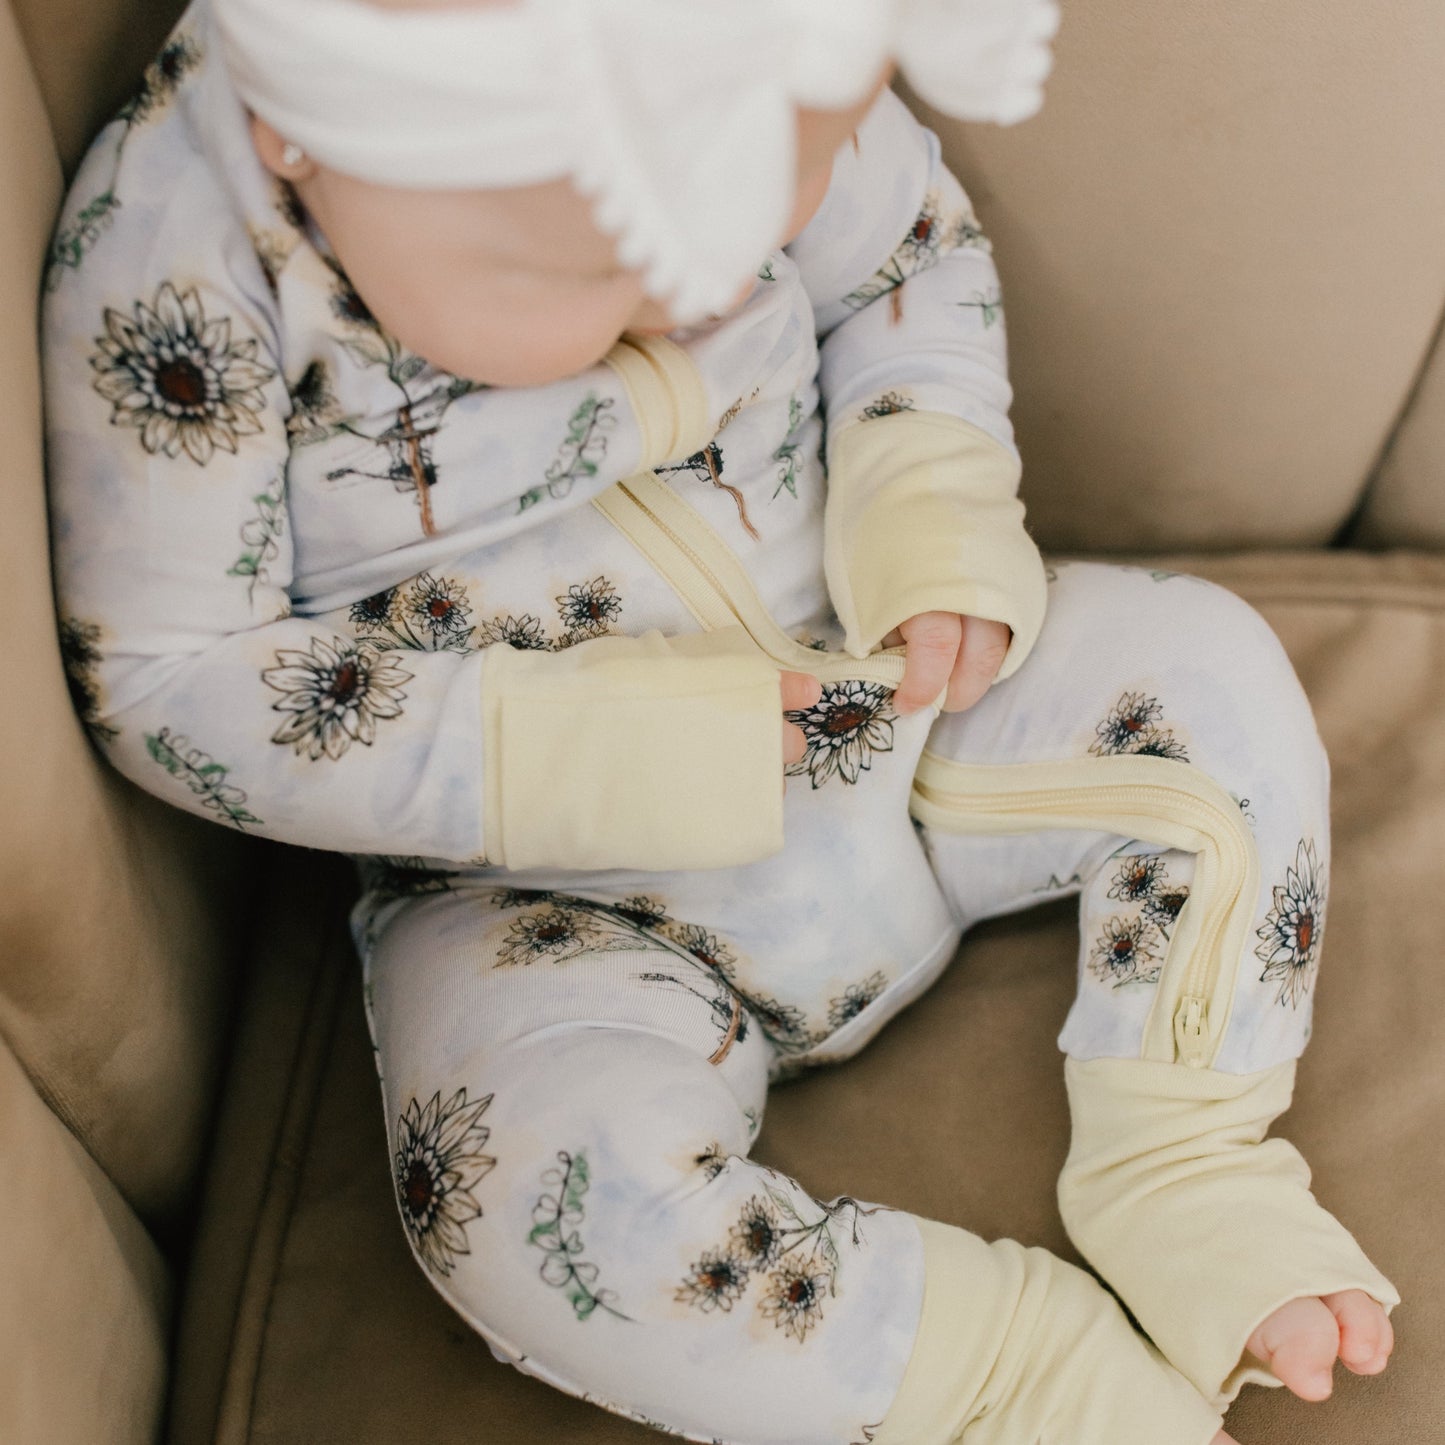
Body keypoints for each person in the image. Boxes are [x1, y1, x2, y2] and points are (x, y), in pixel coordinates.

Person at [42, 0, 1398, 1440]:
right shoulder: (179, 268)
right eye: (594, 267)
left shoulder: (748, 44)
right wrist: (577, 754)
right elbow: (173, 676)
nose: (701, 297)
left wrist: (927, 503)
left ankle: (1182, 1151)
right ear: (292, 134)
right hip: (549, 895)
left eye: (763, 206)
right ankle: (998, 1372)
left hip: (904, 704)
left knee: (1205, 671)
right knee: (512, 1196)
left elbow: (901, 253)